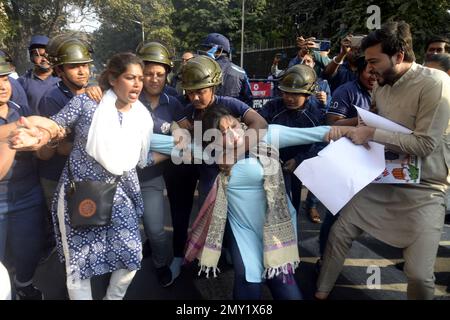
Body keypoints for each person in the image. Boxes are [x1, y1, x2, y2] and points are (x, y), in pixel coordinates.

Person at [10, 52, 167, 300]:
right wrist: (40, 135)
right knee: (79, 267)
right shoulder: (87, 104)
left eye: (139, 78)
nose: (138, 83)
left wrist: (182, 149)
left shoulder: (141, 116)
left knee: (131, 255)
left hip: (120, 194)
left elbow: (138, 158)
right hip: (80, 194)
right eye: (130, 77)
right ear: (114, 79)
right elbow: (57, 126)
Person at [315, 21, 450, 300]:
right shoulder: (382, 84)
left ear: (399, 56)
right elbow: (373, 120)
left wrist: (369, 133)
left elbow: (424, 144)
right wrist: (342, 126)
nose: (370, 69)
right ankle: (319, 292)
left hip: (426, 190)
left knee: (419, 276)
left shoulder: (436, 84)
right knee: (339, 233)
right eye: (367, 62)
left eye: (375, 61)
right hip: (384, 178)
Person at [182, 105, 349, 299]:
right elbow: (164, 143)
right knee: (247, 281)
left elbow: (319, 133)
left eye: (234, 126)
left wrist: (363, 131)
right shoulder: (209, 153)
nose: (233, 134)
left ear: (241, 122)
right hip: (242, 229)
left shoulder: (266, 137)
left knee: (284, 285)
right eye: (222, 132)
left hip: (277, 226)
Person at [86, 42, 188, 287]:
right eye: (147, 74)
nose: (153, 79)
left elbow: (185, 137)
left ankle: (161, 263)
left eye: (159, 74)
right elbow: (102, 95)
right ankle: (111, 269)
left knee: (155, 229)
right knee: (112, 231)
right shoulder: (125, 95)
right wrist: (92, 89)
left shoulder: (172, 101)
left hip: (151, 179)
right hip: (114, 181)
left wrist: (176, 134)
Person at [167, 55, 267, 282]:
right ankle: (199, 253)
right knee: (207, 217)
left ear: (213, 85)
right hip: (207, 180)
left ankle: (231, 249)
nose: (194, 97)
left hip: (235, 178)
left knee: (235, 220)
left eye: (200, 91)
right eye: (190, 91)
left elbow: (260, 124)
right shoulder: (187, 112)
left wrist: (234, 153)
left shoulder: (230, 104)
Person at [0, 51, 47, 300]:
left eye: (5, 78)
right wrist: (15, 135)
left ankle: (24, 284)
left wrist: (41, 138)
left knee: (29, 249)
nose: (2, 85)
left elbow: (38, 141)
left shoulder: (19, 108)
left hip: (28, 192)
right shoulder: (21, 120)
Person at [258, 64, 322, 222]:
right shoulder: (273, 106)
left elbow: (320, 144)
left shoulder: (314, 113)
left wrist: (299, 160)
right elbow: (257, 128)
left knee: (291, 203)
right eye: (286, 93)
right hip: (270, 163)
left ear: (308, 95)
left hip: (300, 165)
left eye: (295, 94)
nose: (289, 98)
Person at [199, 33, 253, 106]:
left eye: (207, 48)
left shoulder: (202, 69)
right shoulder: (240, 72)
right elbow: (249, 100)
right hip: (234, 115)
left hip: (209, 115)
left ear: (218, 50)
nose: (204, 52)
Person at [326, 56, 376, 126]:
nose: (374, 77)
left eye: (378, 73)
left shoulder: (386, 91)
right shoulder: (345, 91)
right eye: (371, 72)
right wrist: (365, 118)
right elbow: (332, 123)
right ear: (359, 72)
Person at [18, 35, 59, 114]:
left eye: (47, 56)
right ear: (31, 57)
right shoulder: (22, 82)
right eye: (38, 55)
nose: (44, 59)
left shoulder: (63, 79)